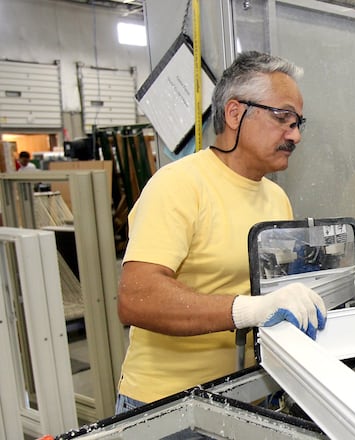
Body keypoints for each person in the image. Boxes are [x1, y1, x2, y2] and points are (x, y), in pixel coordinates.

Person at [115, 51, 327, 414]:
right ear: (234, 113)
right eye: (283, 118)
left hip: (247, 397)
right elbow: (137, 298)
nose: (295, 135)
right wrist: (248, 310)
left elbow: (279, 293)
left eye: (298, 123)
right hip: (169, 406)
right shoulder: (179, 185)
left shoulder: (276, 197)